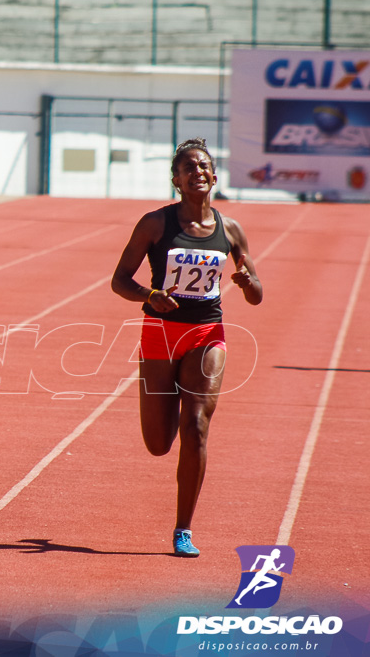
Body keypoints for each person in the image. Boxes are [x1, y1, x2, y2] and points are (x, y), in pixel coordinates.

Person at [111, 137, 263, 557]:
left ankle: (183, 530)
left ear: (214, 176)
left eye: (204, 166)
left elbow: (257, 294)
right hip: (160, 334)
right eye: (188, 168)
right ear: (176, 180)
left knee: (196, 425)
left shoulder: (229, 230)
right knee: (159, 443)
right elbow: (119, 279)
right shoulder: (155, 224)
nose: (197, 172)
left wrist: (250, 284)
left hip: (206, 334)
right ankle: (169, 400)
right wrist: (148, 294)